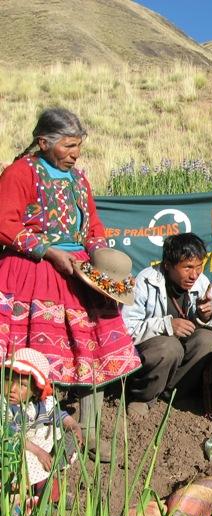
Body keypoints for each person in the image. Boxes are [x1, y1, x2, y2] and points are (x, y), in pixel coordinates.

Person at [0, 108, 141, 462]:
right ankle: (34, 433)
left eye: (79, 146)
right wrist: (47, 251)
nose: (76, 153)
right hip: (34, 271)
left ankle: (89, 432)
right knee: (35, 356)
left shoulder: (78, 179)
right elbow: (4, 221)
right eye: (70, 145)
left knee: (92, 349)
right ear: (44, 142)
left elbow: (92, 226)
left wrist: (100, 260)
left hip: (77, 274)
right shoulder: (21, 173)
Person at [122, 233, 212, 417]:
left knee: (207, 340)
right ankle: (143, 397)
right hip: (153, 354)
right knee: (170, 346)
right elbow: (126, 331)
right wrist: (166, 325)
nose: (194, 274)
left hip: (181, 359)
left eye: (199, 267)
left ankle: (174, 395)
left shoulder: (201, 282)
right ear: (168, 265)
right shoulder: (145, 282)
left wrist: (207, 317)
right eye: (187, 267)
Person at [1, 348, 82, 502]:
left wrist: (74, 427)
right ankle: (18, 496)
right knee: (24, 459)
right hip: (14, 447)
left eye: (23, 385)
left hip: (36, 443)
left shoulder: (42, 403)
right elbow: (10, 434)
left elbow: (60, 415)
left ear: (36, 391)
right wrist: (38, 452)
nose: (12, 389)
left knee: (55, 433)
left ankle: (50, 486)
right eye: (8, 380)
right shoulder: (4, 404)